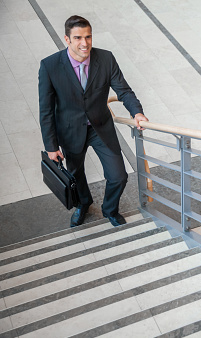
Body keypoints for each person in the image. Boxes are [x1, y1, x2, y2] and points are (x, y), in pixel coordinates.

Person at [39, 15, 148, 227]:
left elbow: (123, 90)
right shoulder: (50, 66)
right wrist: (50, 146)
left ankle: (109, 210)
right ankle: (83, 204)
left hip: (101, 128)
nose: (85, 43)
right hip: (70, 131)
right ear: (67, 39)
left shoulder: (106, 59)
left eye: (88, 37)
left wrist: (137, 112)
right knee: (76, 175)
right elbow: (45, 110)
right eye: (78, 37)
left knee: (118, 176)